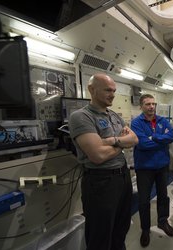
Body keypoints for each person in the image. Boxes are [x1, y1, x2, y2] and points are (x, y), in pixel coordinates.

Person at [69, 73, 138, 250]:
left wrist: (111, 141)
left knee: (121, 228)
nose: (112, 94)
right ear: (91, 90)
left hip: (122, 178)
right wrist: (122, 143)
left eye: (114, 90)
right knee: (100, 235)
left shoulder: (114, 115)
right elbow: (98, 156)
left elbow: (134, 139)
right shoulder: (81, 117)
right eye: (108, 90)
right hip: (101, 182)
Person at [130, 94, 173, 247]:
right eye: (148, 104)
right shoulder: (136, 123)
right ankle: (145, 229)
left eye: (153, 104)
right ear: (141, 106)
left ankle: (163, 222)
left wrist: (152, 138)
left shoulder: (163, 121)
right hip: (144, 168)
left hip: (162, 167)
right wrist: (160, 140)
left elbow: (171, 136)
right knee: (144, 200)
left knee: (163, 196)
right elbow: (142, 144)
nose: (151, 107)